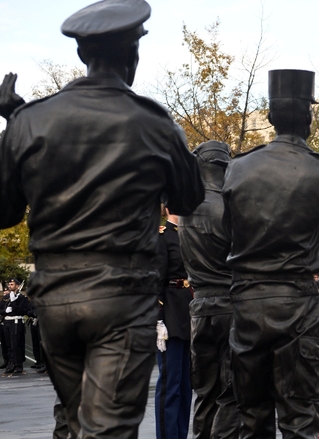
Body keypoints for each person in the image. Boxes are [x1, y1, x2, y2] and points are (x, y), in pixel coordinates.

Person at [0, 0, 204, 436]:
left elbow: (5, 211)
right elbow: (189, 199)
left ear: (81, 54)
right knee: (107, 429)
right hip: (121, 296)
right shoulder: (154, 123)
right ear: (133, 54)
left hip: (55, 299)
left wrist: (14, 126)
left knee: (76, 422)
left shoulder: (30, 120)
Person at [222, 69, 319, 439]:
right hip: (298, 302)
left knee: (252, 416)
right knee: (299, 416)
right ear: (309, 117)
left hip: (248, 299)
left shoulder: (237, 168)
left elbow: (231, 229)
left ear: (270, 117)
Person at [178, 140, 239, 439]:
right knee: (231, 393)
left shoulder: (188, 209)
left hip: (200, 309)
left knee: (205, 393)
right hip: (230, 306)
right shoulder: (232, 206)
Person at [154, 208, 193, 439]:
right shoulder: (161, 236)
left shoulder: (189, 234)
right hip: (169, 314)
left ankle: (180, 434)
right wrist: (158, 320)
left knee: (186, 387)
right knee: (170, 386)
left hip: (189, 313)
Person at [0, 278, 29, 375]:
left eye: (12, 284)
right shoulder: (6, 297)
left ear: (17, 285)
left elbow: (22, 311)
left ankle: (18, 364)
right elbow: (0, 309)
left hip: (16, 322)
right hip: (7, 322)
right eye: (9, 284)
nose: (10, 286)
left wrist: (14, 302)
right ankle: (11, 363)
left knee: (16, 344)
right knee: (8, 345)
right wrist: (5, 311)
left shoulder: (22, 298)